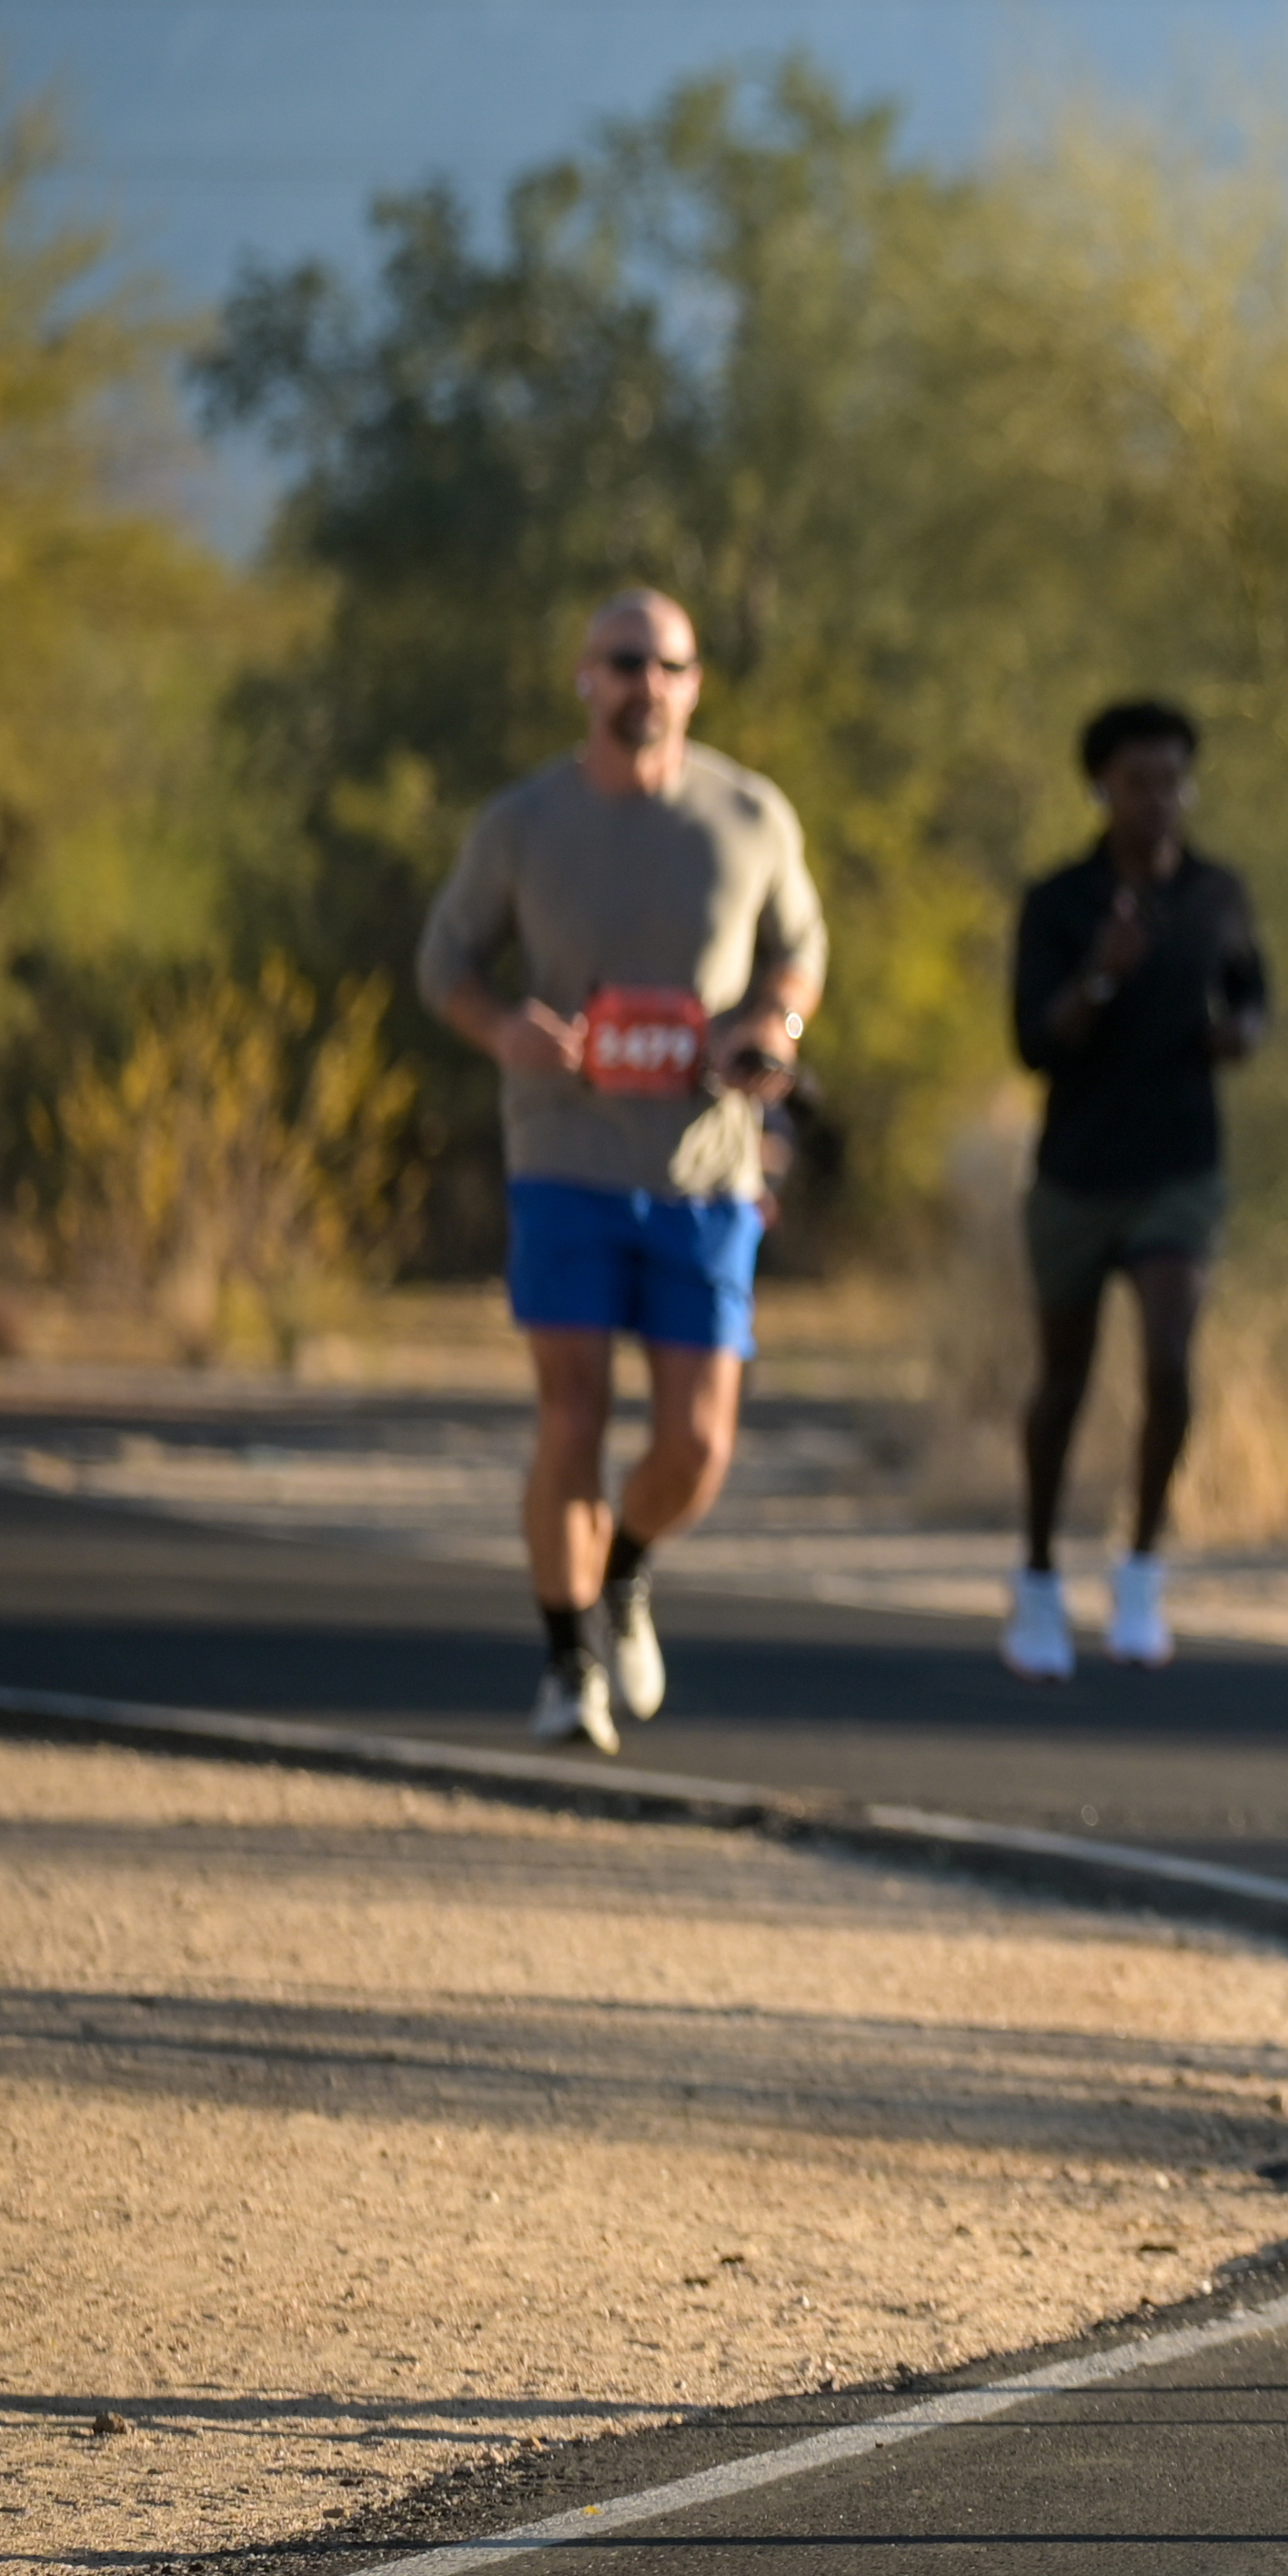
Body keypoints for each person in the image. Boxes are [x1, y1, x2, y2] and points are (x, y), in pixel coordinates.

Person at [415, 588, 826, 1753]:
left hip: (704, 1166)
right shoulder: (525, 822)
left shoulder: (749, 816)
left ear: (695, 683)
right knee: (573, 1411)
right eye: (624, 661)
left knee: (699, 1442)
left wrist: (773, 1027)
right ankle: (564, 1663)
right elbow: (445, 956)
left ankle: (627, 1570)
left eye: (670, 664)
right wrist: (502, 1029)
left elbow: (799, 950)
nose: (647, 682)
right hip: (563, 1156)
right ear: (584, 678)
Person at [1002, 697, 1269, 1681]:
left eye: (1173, 781)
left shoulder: (1216, 894)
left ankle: (1144, 1560)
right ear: (1101, 790)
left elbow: (1251, 992)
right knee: (1063, 1381)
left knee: (1168, 1354)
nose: (1159, 801)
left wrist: (1242, 1034)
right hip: (1077, 1171)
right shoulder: (1059, 900)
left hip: (1179, 1167)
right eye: (1138, 783)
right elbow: (1032, 1042)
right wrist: (1100, 977)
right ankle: (1035, 1574)